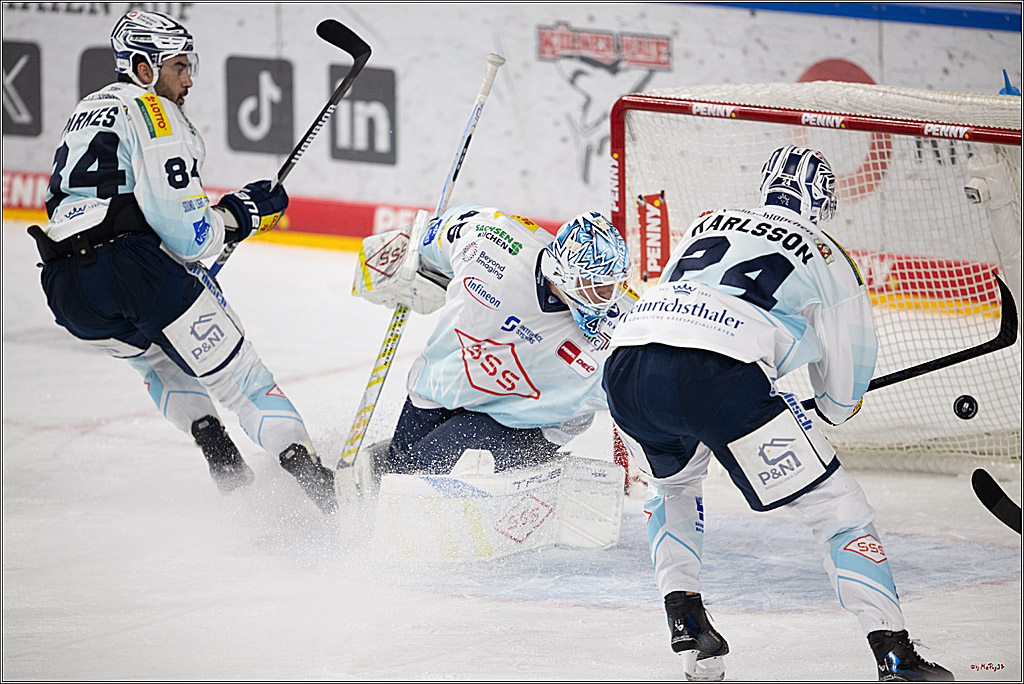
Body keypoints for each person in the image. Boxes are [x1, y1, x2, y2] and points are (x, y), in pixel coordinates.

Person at [601, 146, 954, 681]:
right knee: (839, 509)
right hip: (715, 380)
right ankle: (896, 658)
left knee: (673, 488)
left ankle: (689, 626)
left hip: (627, 369)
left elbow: (679, 304)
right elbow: (841, 394)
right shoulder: (826, 250)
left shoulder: (706, 223)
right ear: (822, 200)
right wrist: (829, 406)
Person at [31, 10, 336, 514]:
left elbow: (97, 206)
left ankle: (212, 442)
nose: (189, 78)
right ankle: (324, 491)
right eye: (178, 67)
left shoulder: (85, 110)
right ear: (144, 69)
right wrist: (244, 212)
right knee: (244, 383)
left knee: (156, 361)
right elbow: (190, 236)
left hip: (65, 287)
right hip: (132, 270)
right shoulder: (152, 110)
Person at [350, 204, 635, 486]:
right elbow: (443, 232)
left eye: (614, 284)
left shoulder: (625, 328)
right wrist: (415, 258)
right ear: (562, 273)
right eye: (596, 285)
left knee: (422, 474)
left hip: (523, 421)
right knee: (399, 470)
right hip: (444, 385)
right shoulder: (494, 243)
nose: (608, 297)